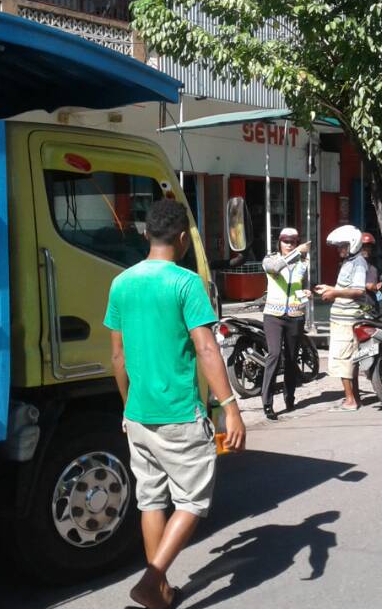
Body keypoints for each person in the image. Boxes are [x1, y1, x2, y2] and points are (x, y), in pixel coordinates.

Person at [105, 199, 246, 609]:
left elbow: (117, 356)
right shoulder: (186, 284)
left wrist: (128, 406)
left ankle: (161, 589)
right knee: (191, 501)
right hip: (180, 414)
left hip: (139, 415)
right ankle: (152, 581)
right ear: (183, 238)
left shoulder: (122, 283)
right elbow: (206, 347)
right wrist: (230, 406)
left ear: (146, 234)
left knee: (151, 499)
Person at [260, 227, 311, 420]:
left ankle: (290, 396)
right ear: (279, 242)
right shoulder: (271, 259)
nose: (289, 245)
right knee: (274, 354)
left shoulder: (303, 262)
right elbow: (274, 269)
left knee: (291, 358)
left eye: (293, 242)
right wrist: (297, 253)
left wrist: (307, 293)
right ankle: (267, 403)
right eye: (286, 241)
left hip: (296, 314)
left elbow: (301, 285)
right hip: (273, 315)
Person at [315, 225, 367, 412]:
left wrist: (334, 292)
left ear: (352, 244)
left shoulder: (358, 262)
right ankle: (355, 397)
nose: (339, 250)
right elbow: (346, 287)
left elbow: (358, 290)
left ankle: (350, 401)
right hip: (341, 318)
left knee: (343, 360)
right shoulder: (349, 262)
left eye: (342, 246)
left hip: (346, 320)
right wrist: (330, 288)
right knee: (348, 360)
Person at [361, 232, 382, 316]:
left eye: (368, 247)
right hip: (359, 307)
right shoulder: (352, 265)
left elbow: (380, 291)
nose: (365, 249)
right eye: (363, 247)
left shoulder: (375, 267)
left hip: (373, 307)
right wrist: (365, 285)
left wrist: (380, 287)